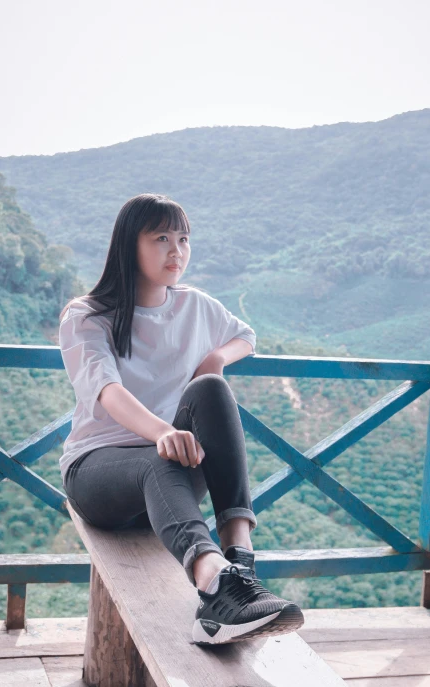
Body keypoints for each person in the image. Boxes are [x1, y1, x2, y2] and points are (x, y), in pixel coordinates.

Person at [58, 192, 304, 645]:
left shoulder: (196, 306)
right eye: (162, 238)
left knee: (210, 388)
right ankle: (214, 587)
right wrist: (164, 431)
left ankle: (239, 563)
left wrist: (215, 357)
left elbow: (245, 336)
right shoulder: (86, 316)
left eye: (184, 239)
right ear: (130, 245)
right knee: (157, 458)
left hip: (171, 480)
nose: (177, 251)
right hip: (97, 474)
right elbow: (108, 392)